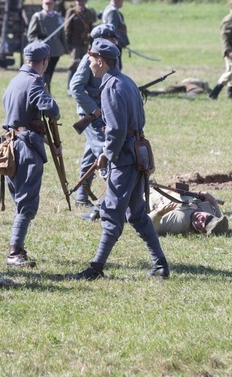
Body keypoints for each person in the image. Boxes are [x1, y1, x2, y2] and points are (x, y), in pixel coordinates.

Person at [74, 38, 169, 280]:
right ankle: (160, 264)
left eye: (91, 59)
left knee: (111, 213)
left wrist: (106, 154)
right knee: (136, 214)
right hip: (136, 153)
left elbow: (115, 130)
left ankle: (96, 268)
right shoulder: (126, 82)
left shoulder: (112, 87)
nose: (89, 64)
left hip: (124, 158)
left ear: (101, 61)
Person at [1, 41, 60, 267]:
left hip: (10, 144)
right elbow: (52, 109)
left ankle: (18, 246)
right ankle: (14, 251)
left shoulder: (15, 79)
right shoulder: (35, 82)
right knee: (26, 202)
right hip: (25, 147)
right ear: (44, 61)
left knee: (20, 200)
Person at [69, 24, 117, 212]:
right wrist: (94, 109)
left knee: (91, 155)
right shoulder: (88, 60)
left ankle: (81, 196)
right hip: (91, 114)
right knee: (105, 151)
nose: (114, 40)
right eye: (111, 37)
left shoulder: (109, 57)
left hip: (100, 111)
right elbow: (75, 87)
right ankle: (113, 198)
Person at [27, 0, 67, 91]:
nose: (48, 5)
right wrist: (38, 43)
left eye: (50, 3)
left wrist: (65, 47)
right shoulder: (38, 17)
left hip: (55, 49)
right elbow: (31, 35)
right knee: (44, 74)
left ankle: (46, 91)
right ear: (42, 4)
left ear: (54, 5)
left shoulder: (58, 17)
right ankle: (45, 93)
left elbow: (62, 34)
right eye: (46, 3)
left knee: (50, 73)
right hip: (43, 49)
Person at [148, 190, 228, 235]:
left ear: (201, 231)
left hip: (148, 194)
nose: (201, 218)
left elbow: (149, 228)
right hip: (163, 188)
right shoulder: (210, 211)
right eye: (207, 217)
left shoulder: (179, 222)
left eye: (202, 224)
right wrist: (213, 202)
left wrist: (158, 213)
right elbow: (218, 217)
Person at [64, 0, 96, 94]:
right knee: (74, 64)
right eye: (78, 0)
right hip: (74, 43)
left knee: (86, 64)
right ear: (75, 1)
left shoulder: (89, 12)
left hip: (85, 43)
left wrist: (92, 41)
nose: (80, 2)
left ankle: (83, 86)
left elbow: (91, 27)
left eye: (82, 0)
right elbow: (66, 29)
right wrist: (67, 44)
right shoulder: (72, 12)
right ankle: (70, 87)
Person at [102, 0, 130, 67]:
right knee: (116, 67)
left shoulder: (112, 10)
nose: (122, 1)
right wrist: (119, 41)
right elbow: (111, 29)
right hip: (114, 45)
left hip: (114, 44)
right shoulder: (112, 12)